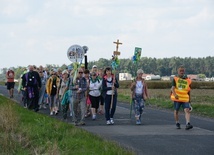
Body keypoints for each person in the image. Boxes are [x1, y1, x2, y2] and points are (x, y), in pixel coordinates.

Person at [170, 65, 193, 130]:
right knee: (176, 111)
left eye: (183, 71)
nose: (182, 72)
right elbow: (173, 88)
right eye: (180, 71)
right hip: (177, 98)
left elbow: (188, 90)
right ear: (178, 71)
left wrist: (189, 100)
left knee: (187, 110)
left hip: (185, 98)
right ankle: (177, 122)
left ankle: (188, 123)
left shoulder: (188, 80)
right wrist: (175, 95)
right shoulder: (175, 79)